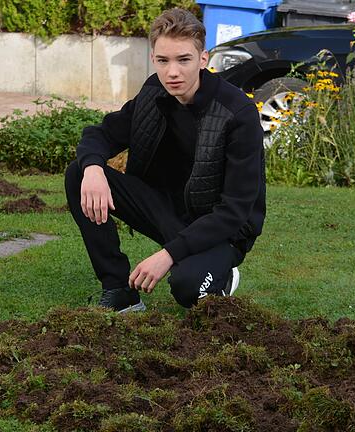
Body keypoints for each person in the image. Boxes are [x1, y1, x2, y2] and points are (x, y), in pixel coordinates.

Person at [64, 8, 265, 313]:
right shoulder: (154, 92)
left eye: (183, 60)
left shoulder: (238, 114)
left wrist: (168, 255)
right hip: (164, 210)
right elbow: (101, 133)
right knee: (79, 173)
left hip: (221, 228)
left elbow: (235, 211)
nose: (173, 72)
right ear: (154, 59)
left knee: (187, 288)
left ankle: (220, 276)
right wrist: (93, 168)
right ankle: (119, 290)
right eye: (163, 60)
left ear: (203, 59)